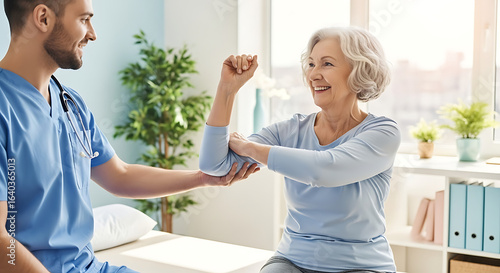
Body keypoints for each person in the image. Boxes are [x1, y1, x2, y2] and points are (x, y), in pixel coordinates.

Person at [0, 0, 259, 272]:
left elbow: (120, 175)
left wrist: (204, 178)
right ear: (43, 18)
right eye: (84, 19)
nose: (92, 33)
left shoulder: (70, 104)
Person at [199, 26, 401, 273]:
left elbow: (325, 169)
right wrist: (226, 90)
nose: (314, 74)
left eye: (327, 64)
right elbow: (215, 166)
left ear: (359, 70)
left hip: (361, 266)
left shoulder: (383, 132)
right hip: (292, 262)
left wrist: (252, 148)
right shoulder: (290, 130)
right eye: (311, 64)